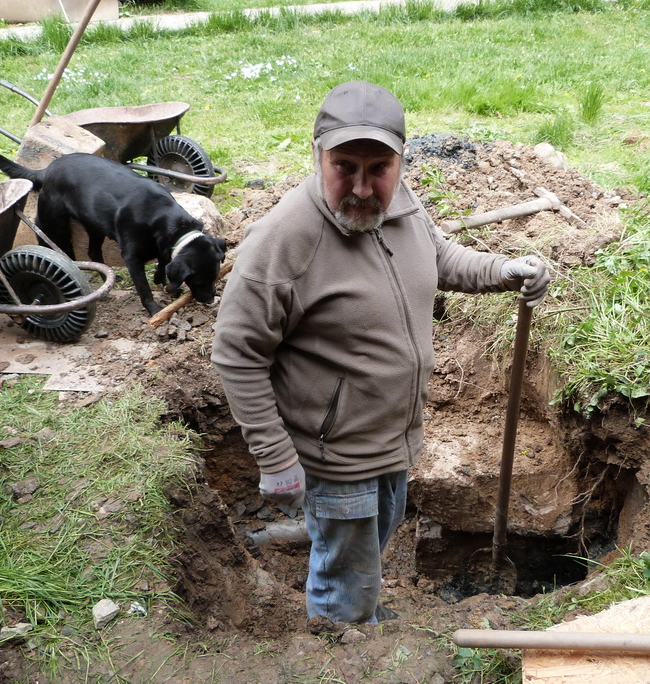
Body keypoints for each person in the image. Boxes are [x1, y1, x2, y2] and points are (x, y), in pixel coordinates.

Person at [211, 81, 551, 624]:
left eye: (379, 169)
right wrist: (276, 459)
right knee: (348, 574)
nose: (363, 188)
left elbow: (435, 255)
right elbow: (237, 354)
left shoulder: (400, 203)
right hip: (337, 455)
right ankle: (345, 639)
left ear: (401, 160)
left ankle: (351, 597)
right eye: (344, 167)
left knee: (373, 540)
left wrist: (501, 270)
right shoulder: (281, 242)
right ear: (317, 154)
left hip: (393, 437)